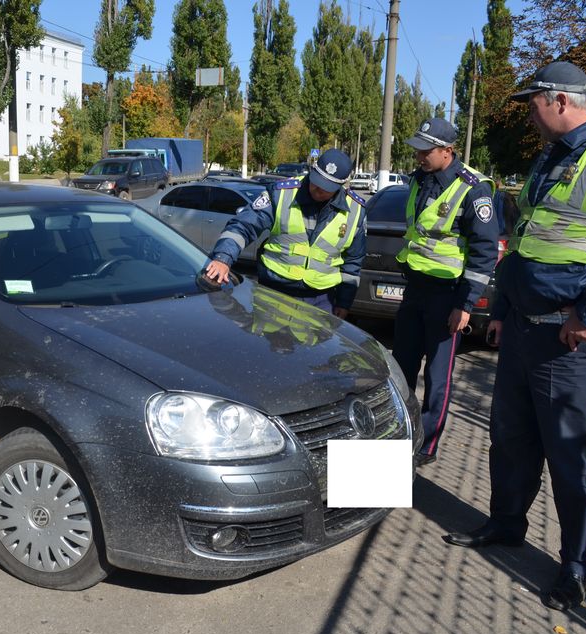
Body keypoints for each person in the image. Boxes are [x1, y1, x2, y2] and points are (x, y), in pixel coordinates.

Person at [442, 61, 586, 612]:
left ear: (561, 101)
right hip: (524, 332)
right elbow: (524, 242)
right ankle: (506, 524)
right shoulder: (551, 157)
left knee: (575, 458)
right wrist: (502, 309)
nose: (530, 115)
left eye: (533, 105)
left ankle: (576, 565)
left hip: (575, 344)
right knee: (511, 441)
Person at [393, 118, 500, 465]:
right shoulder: (419, 180)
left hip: (447, 296)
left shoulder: (473, 190)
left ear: (448, 151)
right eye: (418, 150)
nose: (419, 156)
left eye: (426, 151)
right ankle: (399, 436)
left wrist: (465, 305)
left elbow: (484, 253)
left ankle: (425, 446)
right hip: (415, 290)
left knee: (437, 378)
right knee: (401, 369)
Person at [204, 148, 366, 319]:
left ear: (341, 186)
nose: (318, 189)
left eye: (326, 188)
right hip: (274, 294)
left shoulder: (355, 211)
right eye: (316, 182)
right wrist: (223, 258)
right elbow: (244, 226)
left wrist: (344, 302)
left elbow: (353, 262)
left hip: (322, 301)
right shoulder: (281, 194)